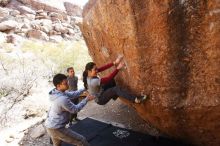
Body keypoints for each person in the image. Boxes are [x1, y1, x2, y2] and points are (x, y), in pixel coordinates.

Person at [45, 73, 94, 146]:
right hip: (56, 128)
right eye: (65, 83)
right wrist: (86, 99)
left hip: (50, 126)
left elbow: (73, 94)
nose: (68, 84)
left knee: (57, 144)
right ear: (58, 86)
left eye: (67, 82)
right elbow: (75, 109)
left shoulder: (56, 92)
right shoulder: (62, 99)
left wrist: (84, 88)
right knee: (81, 140)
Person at [82, 56, 147, 105]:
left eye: (96, 69)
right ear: (89, 71)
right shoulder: (93, 82)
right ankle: (136, 99)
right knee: (115, 89)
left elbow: (102, 68)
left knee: (111, 81)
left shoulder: (89, 73)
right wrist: (118, 68)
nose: (97, 70)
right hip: (100, 99)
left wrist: (114, 62)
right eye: (95, 69)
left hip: (101, 90)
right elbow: (108, 78)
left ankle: (114, 95)